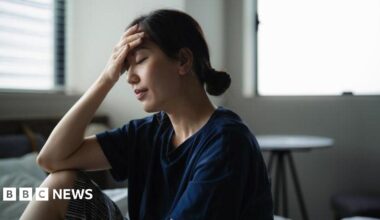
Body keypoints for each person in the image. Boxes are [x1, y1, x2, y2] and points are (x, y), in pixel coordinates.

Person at [21, 9, 273, 220]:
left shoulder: (227, 142)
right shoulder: (149, 132)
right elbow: (51, 160)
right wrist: (105, 79)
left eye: (140, 60)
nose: (129, 77)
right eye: (125, 67)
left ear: (183, 61)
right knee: (59, 185)